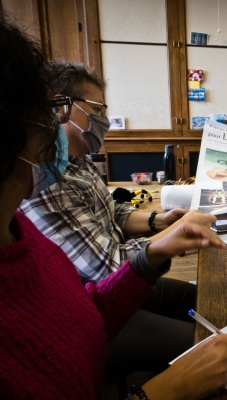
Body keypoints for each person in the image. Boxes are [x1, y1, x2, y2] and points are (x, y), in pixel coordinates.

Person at [0, 16, 227, 399]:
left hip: (107, 296)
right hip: (110, 291)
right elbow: (103, 270)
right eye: (46, 112)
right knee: (219, 347)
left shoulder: (22, 224)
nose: (53, 129)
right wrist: (158, 391)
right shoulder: (44, 187)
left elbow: (84, 309)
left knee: (216, 302)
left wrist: (157, 234)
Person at [18, 61, 199, 374]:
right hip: (90, 308)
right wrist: (171, 240)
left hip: (120, 285)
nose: (104, 120)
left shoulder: (79, 160)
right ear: (62, 107)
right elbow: (110, 266)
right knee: (200, 343)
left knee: (203, 298)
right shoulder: (44, 179)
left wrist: (160, 220)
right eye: (98, 109)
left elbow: (112, 211)